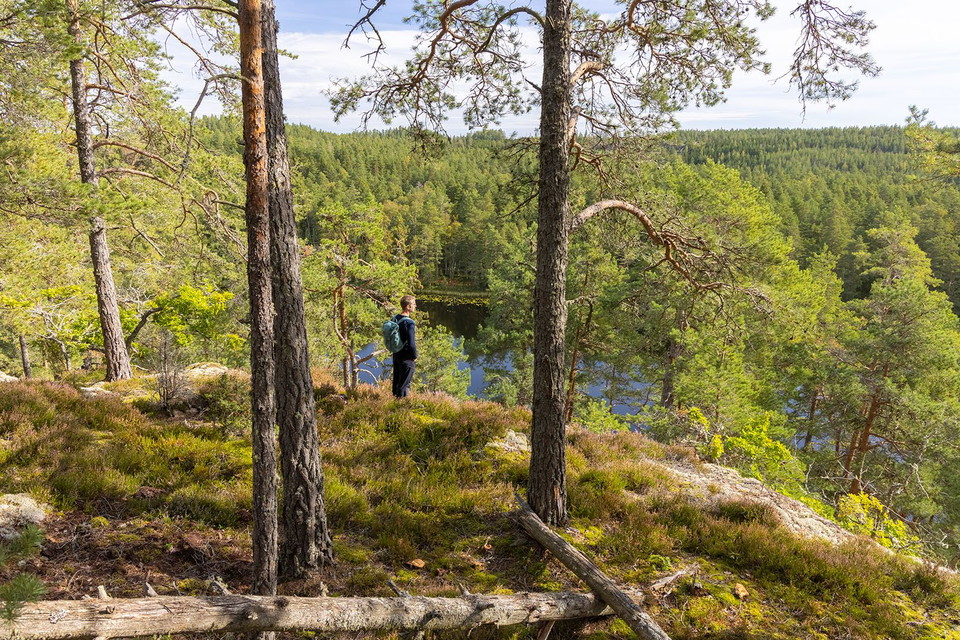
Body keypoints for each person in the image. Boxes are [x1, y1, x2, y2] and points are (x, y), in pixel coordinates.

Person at [391, 295, 418, 398]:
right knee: (404, 385)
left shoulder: (395, 318)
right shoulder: (409, 323)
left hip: (396, 354)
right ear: (407, 306)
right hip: (407, 358)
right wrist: (414, 356)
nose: (415, 306)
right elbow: (411, 343)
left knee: (397, 382)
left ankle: (393, 405)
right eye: (414, 304)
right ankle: (401, 409)